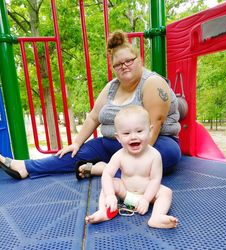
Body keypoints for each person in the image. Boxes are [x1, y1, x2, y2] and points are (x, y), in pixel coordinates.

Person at [0, 30, 181, 180]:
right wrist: (77, 142)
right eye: (118, 64)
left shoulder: (152, 83)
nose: (124, 66)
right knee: (76, 153)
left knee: (166, 155)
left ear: (139, 60)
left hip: (153, 143)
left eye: (129, 61)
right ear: (113, 68)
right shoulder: (112, 87)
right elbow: (94, 116)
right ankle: (26, 167)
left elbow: (154, 127)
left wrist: (133, 158)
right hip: (113, 143)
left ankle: (102, 169)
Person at [85, 105, 178, 229]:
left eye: (139, 131)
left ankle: (157, 216)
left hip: (147, 196)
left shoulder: (154, 155)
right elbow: (107, 174)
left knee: (166, 192)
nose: (133, 136)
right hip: (125, 193)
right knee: (111, 183)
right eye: (126, 133)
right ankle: (104, 211)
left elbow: (155, 180)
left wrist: (146, 199)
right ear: (118, 138)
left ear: (150, 132)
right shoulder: (119, 156)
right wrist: (110, 195)